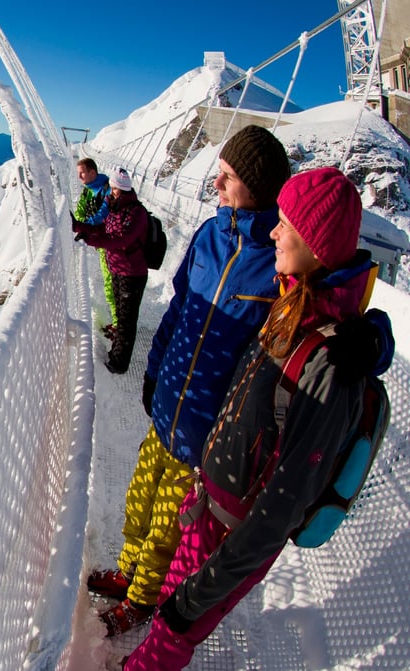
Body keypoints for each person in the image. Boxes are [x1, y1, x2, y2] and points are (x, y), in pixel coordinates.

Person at [122, 166, 395, 670]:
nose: (273, 230)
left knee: (179, 623)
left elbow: (281, 506)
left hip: (232, 533)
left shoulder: (330, 358)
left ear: (314, 241)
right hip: (210, 501)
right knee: (173, 607)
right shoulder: (291, 296)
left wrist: (205, 590)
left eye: (286, 223)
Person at [86, 125, 292, 635]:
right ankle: (129, 571)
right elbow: (179, 308)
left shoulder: (278, 266)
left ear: (257, 187)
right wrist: (154, 370)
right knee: (139, 497)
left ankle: (141, 599)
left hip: (206, 429)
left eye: (227, 177)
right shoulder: (208, 235)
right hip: (169, 403)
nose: (216, 185)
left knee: (164, 524)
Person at [72, 167, 149, 374]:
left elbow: (121, 240)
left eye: (114, 188)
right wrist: (79, 226)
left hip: (132, 274)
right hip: (117, 269)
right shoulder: (114, 208)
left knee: (126, 320)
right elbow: (101, 228)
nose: (110, 191)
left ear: (120, 189)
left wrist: (90, 240)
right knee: (121, 314)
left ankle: (118, 363)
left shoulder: (136, 212)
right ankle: (116, 353)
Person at [73, 158, 116, 337]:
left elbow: (103, 214)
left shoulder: (108, 190)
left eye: (82, 172)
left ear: (92, 171)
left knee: (112, 284)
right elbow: (80, 212)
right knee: (110, 283)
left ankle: (119, 324)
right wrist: (81, 225)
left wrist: (83, 227)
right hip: (100, 243)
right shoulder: (87, 192)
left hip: (111, 243)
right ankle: (117, 322)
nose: (80, 177)